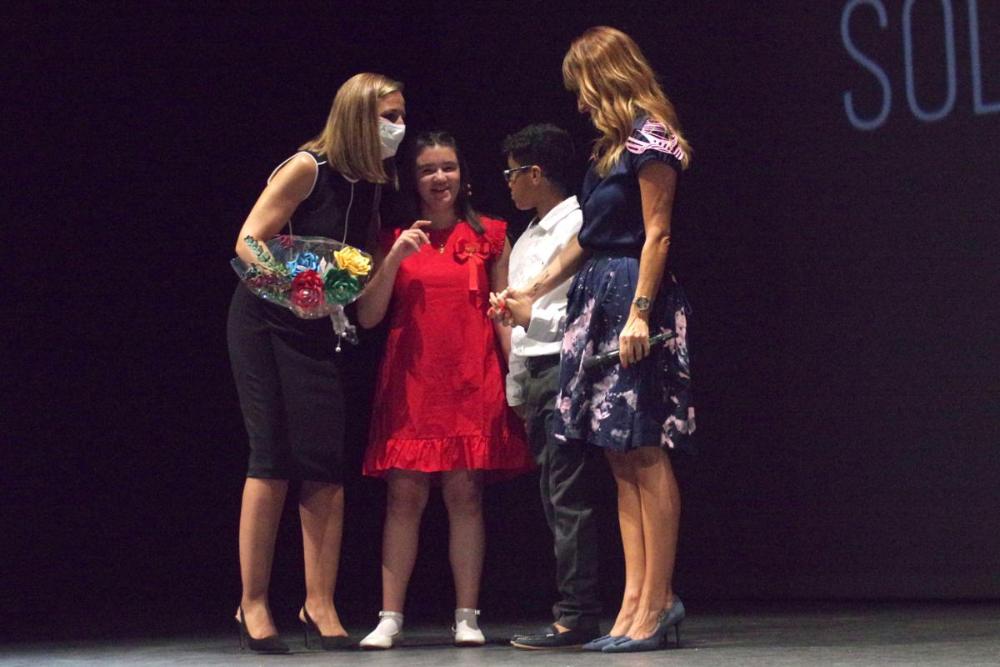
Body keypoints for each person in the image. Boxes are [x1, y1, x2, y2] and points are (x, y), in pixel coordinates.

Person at [491, 27, 695, 653]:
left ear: (605, 78)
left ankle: (657, 602)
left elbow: (657, 234)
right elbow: (588, 237)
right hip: (597, 298)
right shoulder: (611, 150)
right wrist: (533, 288)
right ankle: (632, 605)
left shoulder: (653, 139)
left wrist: (640, 314)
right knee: (618, 455)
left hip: (633, 296)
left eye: (581, 85)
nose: (579, 101)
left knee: (645, 449)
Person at [226, 72, 406, 653]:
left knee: (323, 460)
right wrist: (294, 287)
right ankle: (253, 603)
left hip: (320, 326)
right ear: (358, 117)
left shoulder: (370, 185)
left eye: (401, 117)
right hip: (265, 321)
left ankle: (319, 602)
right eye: (390, 117)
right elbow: (249, 241)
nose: (399, 128)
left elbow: (359, 283)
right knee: (272, 455)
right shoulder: (308, 168)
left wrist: (383, 268)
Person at [356, 131, 532, 649]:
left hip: (471, 381)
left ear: (463, 175)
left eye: (448, 167)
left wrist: (517, 377)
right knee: (403, 496)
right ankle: (390, 617)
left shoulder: (491, 235)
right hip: (412, 385)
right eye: (428, 169)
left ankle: (467, 616)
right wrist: (393, 257)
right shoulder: (392, 237)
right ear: (413, 180)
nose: (439, 178)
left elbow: (503, 316)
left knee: (466, 495)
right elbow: (368, 316)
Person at [496, 125, 604, 650]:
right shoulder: (528, 237)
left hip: (567, 366)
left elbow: (584, 312)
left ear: (536, 173)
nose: (508, 183)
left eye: (512, 173)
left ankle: (578, 614)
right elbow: (519, 320)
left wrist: (528, 318)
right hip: (537, 373)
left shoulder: (578, 226)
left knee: (569, 495)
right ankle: (571, 607)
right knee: (552, 495)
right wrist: (517, 386)